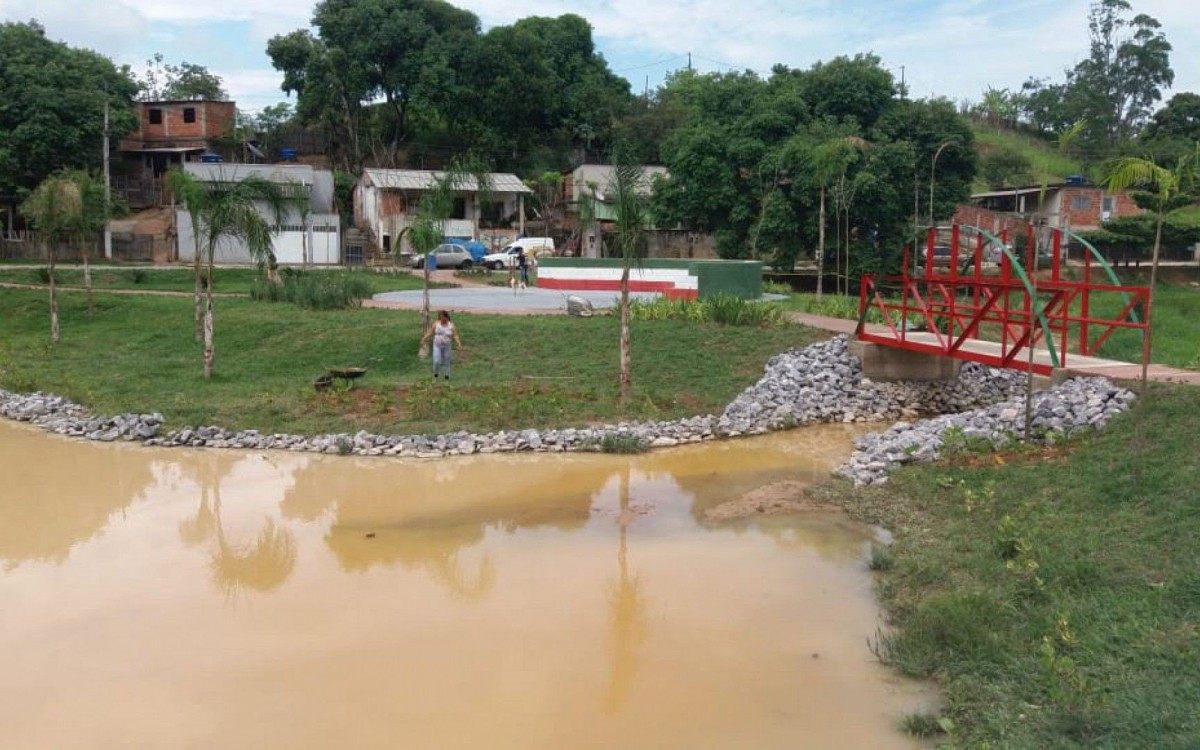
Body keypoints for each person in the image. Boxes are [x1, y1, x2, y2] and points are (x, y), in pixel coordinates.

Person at [421, 310, 462, 380]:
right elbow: (430, 332)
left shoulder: (451, 325)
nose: (442, 319)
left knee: (447, 361)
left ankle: (447, 377)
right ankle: (435, 375)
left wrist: (459, 344)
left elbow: (455, 335)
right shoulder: (436, 324)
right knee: (437, 361)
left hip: (447, 346)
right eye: (440, 317)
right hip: (437, 345)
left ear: (446, 317)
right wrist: (424, 339)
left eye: (443, 317)